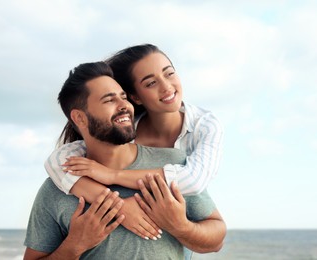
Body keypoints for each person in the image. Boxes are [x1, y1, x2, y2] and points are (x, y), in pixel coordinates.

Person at [23, 61, 226, 259]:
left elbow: (216, 240)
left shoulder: (172, 163)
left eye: (123, 97)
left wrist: (180, 226)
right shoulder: (55, 190)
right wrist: (75, 245)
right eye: (109, 100)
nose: (124, 106)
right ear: (80, 118)